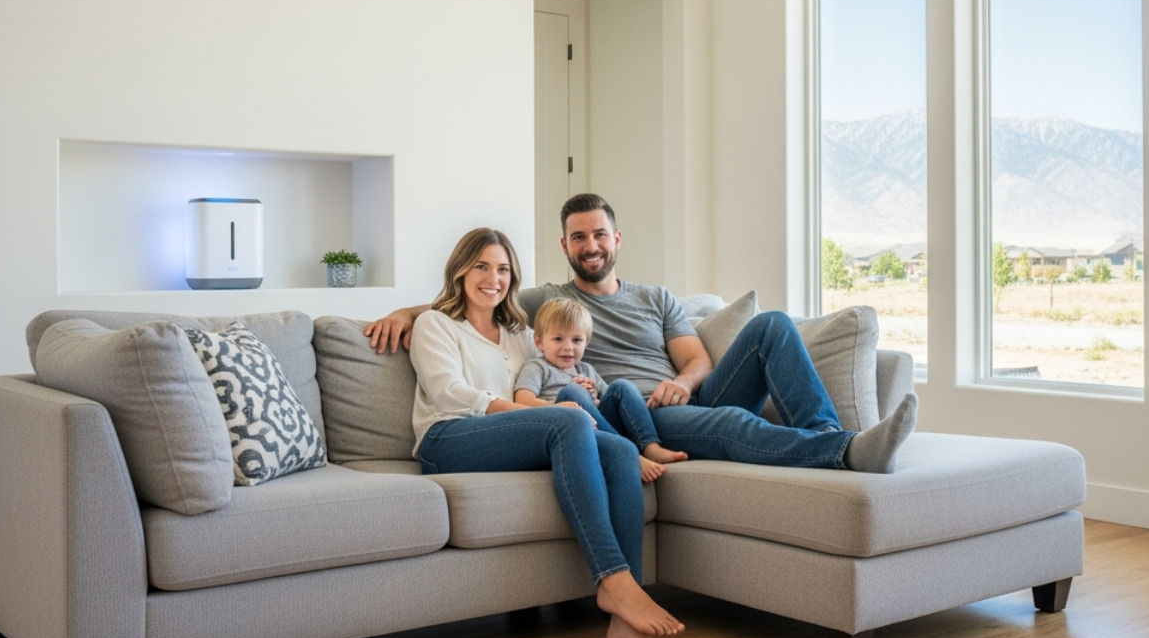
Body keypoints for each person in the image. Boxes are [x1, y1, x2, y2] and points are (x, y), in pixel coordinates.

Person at [367, 194, 917, 474]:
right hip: (635, 413)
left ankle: (830, 442)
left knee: (770, 325)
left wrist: (685, 378)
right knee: (730, 422)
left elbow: (697, 358)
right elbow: (486, 296)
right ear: (564, 247)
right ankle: (843, 454)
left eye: (598, 234)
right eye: (578, 237)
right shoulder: (551, 304)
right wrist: (411, 312)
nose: (590, 245)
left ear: (616, 238)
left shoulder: (656, 298)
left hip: (683, 397)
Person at [406, 226, 681, 638]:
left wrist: (577, 400)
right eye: (480, 266)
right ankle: (615, 580)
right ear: (459, 270)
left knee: (621, 452)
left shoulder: (519, 331)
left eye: (502, 269)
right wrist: (536, 414)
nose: (492, 278)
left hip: (511, 437)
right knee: (568, 420)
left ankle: (624, 624)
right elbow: (448, 392)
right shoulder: (434, 324)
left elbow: (556, 364)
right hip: (449, 438)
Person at [512, 299, 678, 482]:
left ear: (587, 342)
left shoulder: (586, 369)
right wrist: (561, 406)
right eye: (558, 339)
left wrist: (593, 397)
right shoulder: (537, 367)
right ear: (539, 342)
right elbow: (522, 399)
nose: (568, 347)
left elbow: (610, 398)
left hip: (600, 424)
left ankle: (650, 446)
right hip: (573, 429)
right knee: (574, 392)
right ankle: (634, 456)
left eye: (577, 340)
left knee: (622, 385)